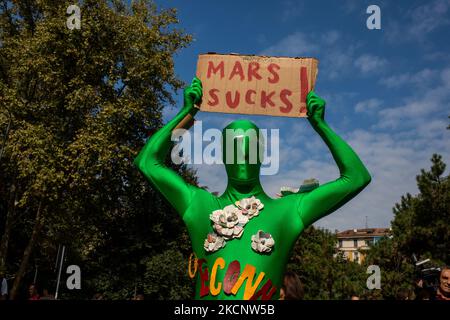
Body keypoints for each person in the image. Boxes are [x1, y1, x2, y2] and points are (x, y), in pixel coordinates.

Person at [135, 77, 371, 300]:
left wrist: (320, 125)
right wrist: (186, 113)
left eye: (251, 148)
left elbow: (356, 177)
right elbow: (147, 162)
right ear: (222, 156)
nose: (243, 156)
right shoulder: (199, 205)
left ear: (262, 156)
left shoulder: (288, 211)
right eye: (234, 148)